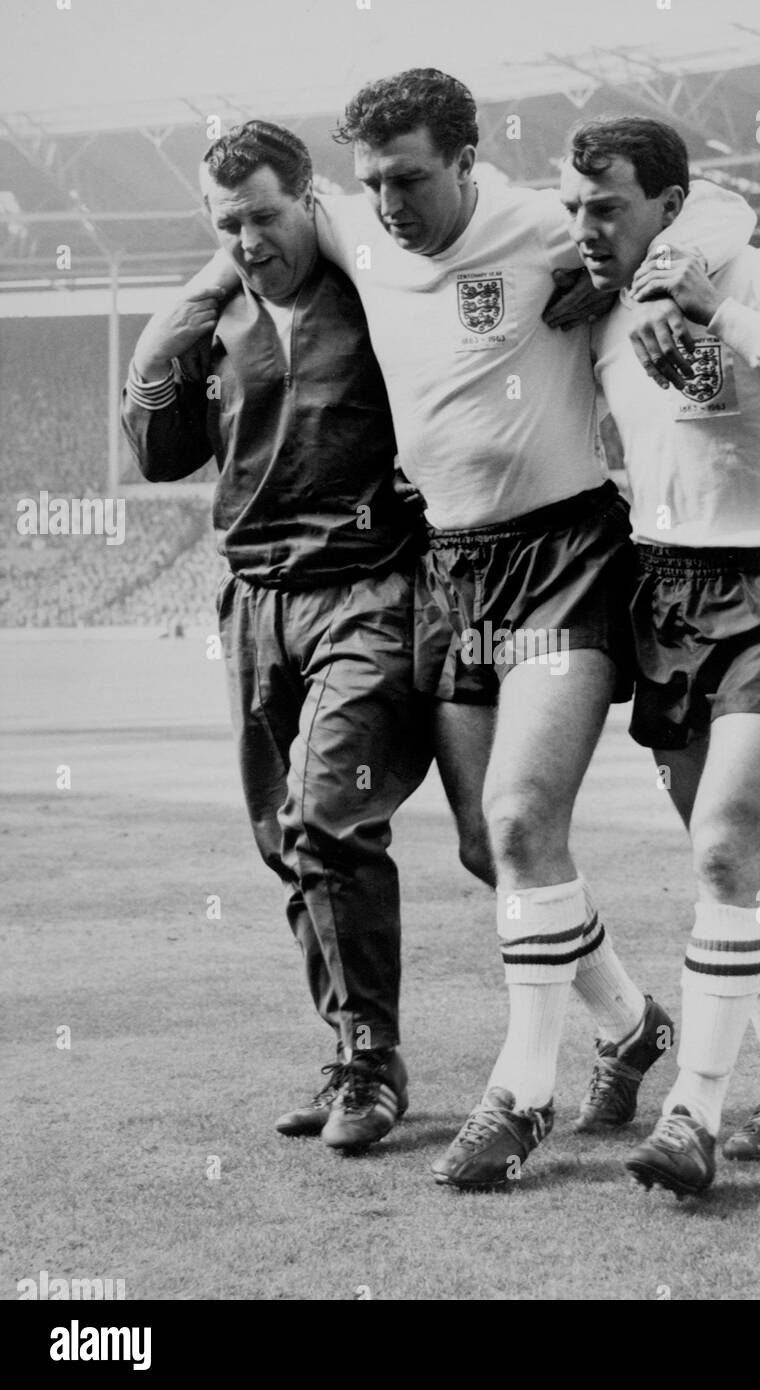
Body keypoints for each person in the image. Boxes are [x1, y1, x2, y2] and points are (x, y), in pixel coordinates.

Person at [193, 71, 759, 1187]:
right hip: (450, 570)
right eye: (373, 183)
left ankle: (520, 1092)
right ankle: (632, 1022)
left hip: (565, 552)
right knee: (481, 842)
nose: (391, 202)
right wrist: (189, 302)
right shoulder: (353, 227)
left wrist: (638, 282)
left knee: (517, 811)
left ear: (466, 162)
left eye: (410, 177)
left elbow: (715, 209)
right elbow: (259, 231)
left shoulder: (541, 221)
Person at [559, 115, 760, 1197]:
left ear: (670, 200)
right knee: (747, 867)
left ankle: (691, 1110)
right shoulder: (594, 303)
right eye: (573, 207)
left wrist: (719, 310)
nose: (585, 227)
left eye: (606, 206)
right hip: (664, 594)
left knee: (719, 848)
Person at [122, 121, 433, 1155]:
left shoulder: (376, 292)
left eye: (263, 215)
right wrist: (193, 298)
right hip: (256, 601)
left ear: (308, 195)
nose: (248, 239)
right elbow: (160, 453)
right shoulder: (216, 327)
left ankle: (370, 1062)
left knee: (328, 816)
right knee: (282, 841)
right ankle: (353, 1048)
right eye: (226, 225)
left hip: (369, 592)